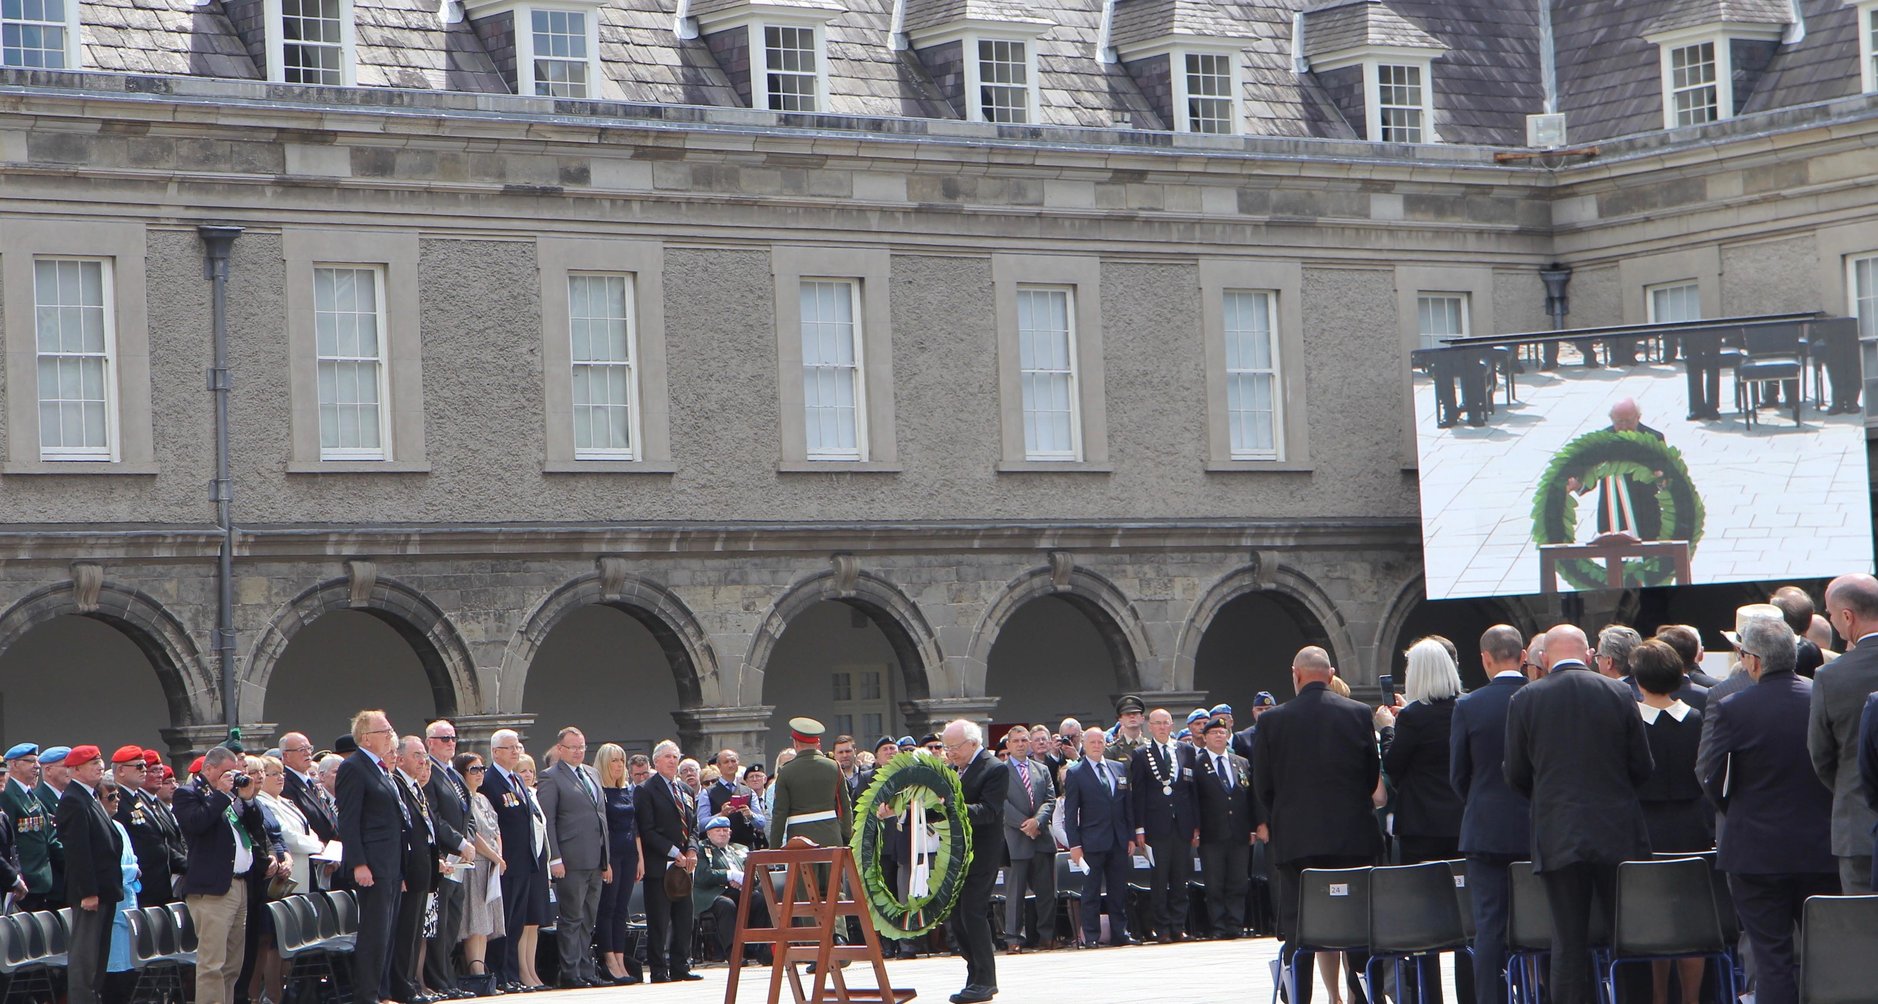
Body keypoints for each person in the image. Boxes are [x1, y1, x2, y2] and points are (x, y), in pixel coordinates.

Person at [1504, 625, 1652, 1004]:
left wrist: (1548, 800)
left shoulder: (1525, 699)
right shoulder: (1619, 692)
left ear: (1544, 658)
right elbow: (1642, 765)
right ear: (1588, 654)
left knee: (1567, 941)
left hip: (1558, 831)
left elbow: (1516, 773)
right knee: (1628, 936)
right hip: (1617, 831)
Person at [1698, 616, 1836, 1004]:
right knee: (1826, 953)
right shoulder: (1819, 697)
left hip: (1754, 851)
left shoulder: (1732, 707)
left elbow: (1711, 775)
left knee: (1771, 957)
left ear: (1752, 660)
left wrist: (1735, 808)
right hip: (1820, 844)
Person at [1253, 646, 1381, 1004]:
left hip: (1297, 843)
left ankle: (1301, 999)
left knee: (1299, 929)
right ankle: (1362, 994)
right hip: (1352, 840)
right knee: (1358, 924)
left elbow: (1263, 785)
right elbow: (1371, 777)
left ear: (1295, 674)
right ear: (1331, 672)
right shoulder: (1358, 713)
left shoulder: (1272, 721)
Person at [1376, 637, 1471, 1004]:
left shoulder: (1413, 716)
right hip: (1462, 822)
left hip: (1421, 827)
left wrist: (1388, 729)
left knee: (1425, 923)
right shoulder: (1466, 707)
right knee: (1467, 921)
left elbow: (1395, 767)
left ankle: (1429, 996)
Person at [1451, 625, 1532, 1004]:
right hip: (1537, 827)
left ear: (1485, 658)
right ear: (1523, 655)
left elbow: (1458, 775)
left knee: (1488, 927)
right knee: (1543, 922)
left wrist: (1481, 802)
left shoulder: (1468, 705)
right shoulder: (1537, 698)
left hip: (1485, 829)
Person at [1631, 639, 1709, 1004]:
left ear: (1639, 680)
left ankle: (1660, 997)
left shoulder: (1633, 720)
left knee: (1653, 921)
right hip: (1692, 826)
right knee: (1692, 919)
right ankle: (1691, 998)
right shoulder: (1696, 717)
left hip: (1647, 829)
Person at [176, 745, 269, 1004]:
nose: (232, 777)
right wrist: (220, 795)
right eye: (227, 772)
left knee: (232, 964)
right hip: (212, 889)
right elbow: (196, 824)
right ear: (208, 769)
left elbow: (253, 826)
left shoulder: (230, 796)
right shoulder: (188, 794)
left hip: (239, 884)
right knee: (212, 964)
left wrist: (248, 799)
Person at [335, 710, 410, 1004]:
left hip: (391, 863)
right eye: (386, 731)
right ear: (366, 737)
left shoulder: (381, 768)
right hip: (372, 863)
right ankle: (367, 995)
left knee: (388, 932)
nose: (392, 735)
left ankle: (382, 991)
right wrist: (358, 863)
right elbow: (350, 820)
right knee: (374, 933)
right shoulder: (354, 768)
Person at [1810, 573, 1878, 893]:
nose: (1832, 622)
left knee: (1865, 932)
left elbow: (1821, 756)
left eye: (1831, 614)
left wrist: (1851, 786)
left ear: (1848, 616)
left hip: (1859, 825)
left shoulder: (1830, 677)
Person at [537, 726, 609, 989]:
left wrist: (606, 858)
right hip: (570, 859)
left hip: (595, 858)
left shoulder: (591, 773)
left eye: (581, 747)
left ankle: (586, 969)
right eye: (573, 747)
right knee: (572, 917)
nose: (578, 752)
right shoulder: (551, 777)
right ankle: (570, 972)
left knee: (589, 917)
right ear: (560, 749)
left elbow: (601, 817)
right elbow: (549, 821)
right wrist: (554, 857)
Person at [942, 719, 1007, 1004]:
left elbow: (989, 812)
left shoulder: (994, 769)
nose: (949, 753)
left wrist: (949, 806)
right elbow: (943, 811)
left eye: (954, 747)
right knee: (957, 918)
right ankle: (974, 974)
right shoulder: (957, 770)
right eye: (946, 748)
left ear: (972, 743)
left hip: (982, 853)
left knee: (973, 913)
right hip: (959, 853)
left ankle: (986, 979)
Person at [55, 745, 122, 1004]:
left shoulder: (89, 797)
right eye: (91, 762)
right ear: (75, 770)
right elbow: (78, 852)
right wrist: (88, 892)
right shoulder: (73, 799)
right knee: (85, 957)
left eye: (99, 761)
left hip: (105, 889)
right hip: (91, 892)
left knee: (98, 957)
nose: (99, 765)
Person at [481, 729, 543, 993]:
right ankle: (500, 974)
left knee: (517, 922)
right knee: (503, 923)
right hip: (505, 864)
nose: (516, 751)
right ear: (495, 752)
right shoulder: (489, 780)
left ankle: (512, 973)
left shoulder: (518, 778)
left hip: (524, 862)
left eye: (518, 747)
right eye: (510, 748)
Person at [1128, 708, 1197, 944]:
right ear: (1150, 726)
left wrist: (1195, 825)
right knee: (1160, 878)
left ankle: (1179, 926)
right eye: (1157, 723)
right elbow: (1138, 793)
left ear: (1171, 725)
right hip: (1156, 825)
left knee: (1180, 877)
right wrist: (1139, 828)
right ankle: (1162, 927)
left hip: (1182, 823)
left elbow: (1192, 790)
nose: (1161, 727)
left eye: (1165, 723)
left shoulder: (1185, 750)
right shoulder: (1140, 754)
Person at [1063, 723, 1134, 948]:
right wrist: (1074, 844)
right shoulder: (1076, 772)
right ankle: (1091, 935)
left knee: (1118, 890)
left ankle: (1120, 933)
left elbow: (1127, 805)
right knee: (1091, 891)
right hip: (1091, 841)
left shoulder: (1118, 768)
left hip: (1119, 839)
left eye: (1100, 741)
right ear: (1083, 745)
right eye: (1092, 742)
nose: (1096, 745)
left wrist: (1131, 835)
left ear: (1106, 743)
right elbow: (1070, 812)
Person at [421, 721, 477, 997]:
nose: (451, 743)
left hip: (460, 861)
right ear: (430, 742)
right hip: (444, 858)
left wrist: (470, 838)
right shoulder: (429, 773)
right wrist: (459, 842)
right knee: (439, 924)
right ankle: (439, 980)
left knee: (452, 923)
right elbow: (435, 817)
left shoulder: (452, 773)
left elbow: (468, 812)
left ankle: (449, 979)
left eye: (453, 738)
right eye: (444, 739)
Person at [637, 739, 700, 983]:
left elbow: (693, 826)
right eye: (667, 757)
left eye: (675, 757)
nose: (673, 761)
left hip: (685, 866)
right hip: (660, 865)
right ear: (656, 761)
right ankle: (659, 969)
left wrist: (692, 850)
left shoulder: (685, 789)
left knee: (684, 919)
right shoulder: (646, 790)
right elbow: (648, 829)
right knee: (659, 921)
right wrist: (675, 852)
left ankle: (681, 966)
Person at [1562, 399, 1667, 540]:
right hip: (1613, 506)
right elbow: (1591, 471)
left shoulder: (1653, 438)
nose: (1624, 426)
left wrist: (1661, 478)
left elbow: (1664, 473)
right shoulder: (1603, 439)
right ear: (1612, 419)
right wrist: (1579, 484)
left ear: (1638, 417)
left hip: (1646, 508)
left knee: (1649, 553)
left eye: (1628, 421)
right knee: (1615, 554)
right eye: (1619, 422)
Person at [1193, 717, 1256, 940]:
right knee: (1215, 882)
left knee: (1238, 881)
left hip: (1238, 831)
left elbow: (1250, 797)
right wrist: (1196, 828)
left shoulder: (1241, 762)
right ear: (1205, 737)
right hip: (1212, 832)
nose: (1219, 736)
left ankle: (1235, 924)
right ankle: (1218, 925)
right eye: (1214, 733)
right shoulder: (1197, 764)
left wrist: (1253, 826)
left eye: (1222, 732)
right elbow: (1194, 799)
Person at [389, 736, 441, 1004]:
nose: (423, 760)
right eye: (417, 755)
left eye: (424, 755)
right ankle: (402, 985)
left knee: (415, 933)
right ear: (400, 758)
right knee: (405, 933)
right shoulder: (398, 784)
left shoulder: (415, 786)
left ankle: (410, 982)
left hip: (424, 868)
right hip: (409, 870)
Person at [453, 750, 506, 995]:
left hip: (492, 866)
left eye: (482, 769)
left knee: (487, 924)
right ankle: (476, 973)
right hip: (477, 865)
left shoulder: (483, 799)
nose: (480, 774)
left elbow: (495, 830)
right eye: (473, 769)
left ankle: (482, 971)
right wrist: (495, 857)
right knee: (475, 921)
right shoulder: (464, 799)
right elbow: (475, 836)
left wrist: (500, 856)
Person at [1000, 726, 1055, 953]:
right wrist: (1025, 824)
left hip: (1041, 838)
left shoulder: (1041, 770)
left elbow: (1050, 799)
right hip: (1016, 839)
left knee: (1046, 892)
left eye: (1024, 740)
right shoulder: (1000, 771)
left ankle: (1046, 937)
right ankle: (1013, 938)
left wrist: (1037, 822)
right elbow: (1000, 804)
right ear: (1009, 745)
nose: (1021, 744)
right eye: (1016, 741)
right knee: (1015, 893)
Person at [593, 743, 643, 985]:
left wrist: (640, 858)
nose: (618, 765)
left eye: (621, 760)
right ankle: (609, 959)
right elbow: (600, 830)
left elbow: (635, 828)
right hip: (611, 855)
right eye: (613, 760)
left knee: (622, 909)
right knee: (609, 906)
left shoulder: (626, 790)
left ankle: (622, 960)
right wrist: (605, 862)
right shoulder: (600, 792)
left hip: (629, 853)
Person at [692, 815, 769, 965]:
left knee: (759, 900)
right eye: (717, 831)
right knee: (726, 905)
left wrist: (743, 882)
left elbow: (756, 875)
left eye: (725, 830)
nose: (722, 833)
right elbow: (702, 875)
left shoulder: (740, 849)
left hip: (739, 890)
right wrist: (729, 875)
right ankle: (734, 953)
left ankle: (761, 948)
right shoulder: (701, 849)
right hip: (712, 893)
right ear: (708, 833)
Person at [771, 717, 852, 849]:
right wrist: (845, 836)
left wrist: (774, 848)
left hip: (798, 839)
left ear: (795, 743)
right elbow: (844, 806)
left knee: (802, 870)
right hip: (831, 836)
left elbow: (779, 814)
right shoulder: (834, 767)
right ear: (817, 742)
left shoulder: (786, 771)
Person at [101, 778, 142, 1004]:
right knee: (114, 969)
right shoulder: (98, 826)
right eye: (111, 797)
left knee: (130, 969)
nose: (116, 801)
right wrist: (132, 871)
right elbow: (106, 867)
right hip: (113, 904)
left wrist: (132, 869)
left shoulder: (120, 826)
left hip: (128, 902)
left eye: (118, 796)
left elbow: (133, 859)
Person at [511, 755, 550, 991]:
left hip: (539, 862)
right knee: (524, 921)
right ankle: (523, 971)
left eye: (531, 770)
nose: (528, 775)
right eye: (522, 770)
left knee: (534, 922)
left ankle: (532, 970)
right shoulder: (517, 795)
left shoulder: (534, 795)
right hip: (524, 861)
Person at [700, 748, 766, 851]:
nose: (730, 765)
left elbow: (761, 822)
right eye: (726, 762)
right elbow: (701, 824)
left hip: (745, 847)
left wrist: (751, 815)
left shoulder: (749, 791)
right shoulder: (707, 793)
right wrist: (721, 815)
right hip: (717, 849)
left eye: (733, 761)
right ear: (719, 766)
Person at [1105, 695, 1149, 763]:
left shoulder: (1150, 747)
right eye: (1127, 714)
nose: (1132, 716)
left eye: (1135, 713)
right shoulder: (1112, 750)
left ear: (1142, 719)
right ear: (1120, 720)